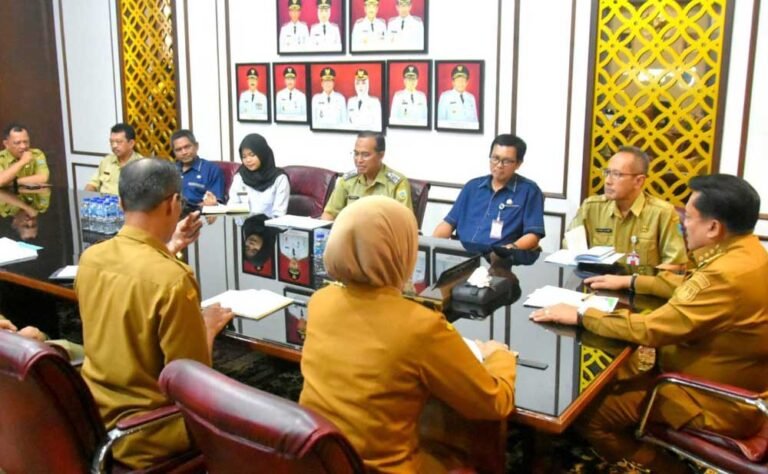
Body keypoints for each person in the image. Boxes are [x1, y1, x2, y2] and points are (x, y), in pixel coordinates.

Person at [531, 174, 768, 473]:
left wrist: (582, 314)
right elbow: (690, 287)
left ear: (713, 227)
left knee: (589, 416)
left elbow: (650, 330)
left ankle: (672, 470)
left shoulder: (725, 275)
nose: (683, 224)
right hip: (733, 379)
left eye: (689, 217)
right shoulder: (749, 254)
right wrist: (631, 281)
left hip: (713, 398)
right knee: (612, 380)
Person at [300, 195, 517, 472]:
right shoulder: (420, 325)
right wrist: (499, 356)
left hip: (321, 461)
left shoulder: (321, 300)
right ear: (401, 251)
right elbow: (493, 403)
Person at [76, 158, 234, 469]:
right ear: (174, 203)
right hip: (149, 433)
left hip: (93, 417)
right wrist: (207, 326)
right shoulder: (173, 280)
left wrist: (170, 246)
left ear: (121, 203)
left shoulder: (91, 258)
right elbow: (191, 381)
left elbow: (132, 277)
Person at [567, 146, 686, 268]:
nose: (607, 181)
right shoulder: (591, 207)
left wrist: (628, 279)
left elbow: (675, 265)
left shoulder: (662, 213)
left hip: (640, 280)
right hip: (596, 278)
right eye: (607, 173)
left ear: (639, 181)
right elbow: (571, 247)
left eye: (616, 174)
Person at [432, 134, 545, 251]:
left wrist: (507, 250)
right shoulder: (472, 187)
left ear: (518, 163)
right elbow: (448, 223)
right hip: (462, 255)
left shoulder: (529, 191)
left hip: (499, 258)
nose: (499, 165)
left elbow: (533, 235)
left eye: (506, 161)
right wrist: (431, 246)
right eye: (495, 158)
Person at [321, 131, 411, 221]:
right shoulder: (347, 180)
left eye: (365, 155)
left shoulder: (397, 183)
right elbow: (329, 213)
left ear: (381, 155)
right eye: (356, 154)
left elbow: (404, 221)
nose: (359, 160)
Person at [228, 134, 290, 217]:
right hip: (244, 224)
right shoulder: (240, 177)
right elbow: (233, 207)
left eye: (252, 155)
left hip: (270, 224)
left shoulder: (280, 179)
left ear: (262, 153)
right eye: (244, 157)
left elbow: (279, 214)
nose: (248, 160)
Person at [170, 129, 225, 207]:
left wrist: (193, 209)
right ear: (174, 152)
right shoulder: (170, 171)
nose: (184, 152)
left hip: (200, 213)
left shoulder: (212, 170)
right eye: (178, 150)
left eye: (187, 147)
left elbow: (213, 202)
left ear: (196, 146)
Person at [85, 123, 144, 194]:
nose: (114, 146)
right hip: (104, 200)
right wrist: (87, 195)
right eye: (111, 142)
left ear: (131, 143)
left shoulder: (142, 165)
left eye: (119, 142)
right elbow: (92, 184)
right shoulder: (106, 160)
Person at [0, 123, 50, 187]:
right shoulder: (1, 158)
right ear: (6, 144)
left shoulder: (36, 154)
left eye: (26, 142)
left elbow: (43, 177)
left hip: (32, 193)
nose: (23, 146)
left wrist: (13, 182)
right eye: (17, 143)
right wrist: (22, 161)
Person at [437, 65, 479, 129]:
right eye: (458, 80)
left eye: (463, 80)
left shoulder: (471, 98)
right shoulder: (445, 97)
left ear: (467, 82)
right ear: (453, 82)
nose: (461, 83)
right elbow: (440, 122)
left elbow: (475, 122)